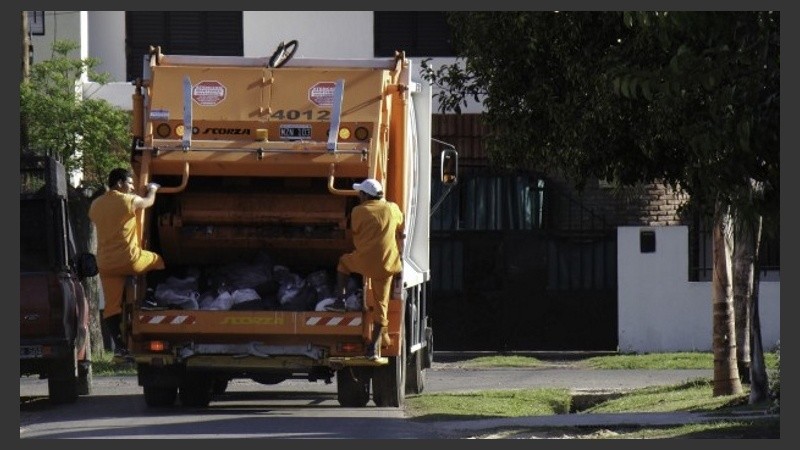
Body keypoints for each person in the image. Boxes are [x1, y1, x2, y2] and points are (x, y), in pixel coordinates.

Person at [89, 168, 165, 356]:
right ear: (120, 183)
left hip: (106, 264)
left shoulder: (95, 205)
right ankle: (149, 297)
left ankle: (120, 348)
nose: (132, 187)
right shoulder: (127, 200)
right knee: (158, 260)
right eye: (130, 183)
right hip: (129, 259)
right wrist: (153, 189)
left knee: (111, 307)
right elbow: (148, 202)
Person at [327, 178, 404, 360]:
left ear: (364, 195)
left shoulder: (358, 211)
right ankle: (373, 348)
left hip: (363, 261)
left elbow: (355, 231)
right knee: (381, 306)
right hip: (386, 265)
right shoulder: (391, 209)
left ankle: (340, 302)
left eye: (359, 193)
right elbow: (401, 223)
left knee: (343, 263)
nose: (358, 196)